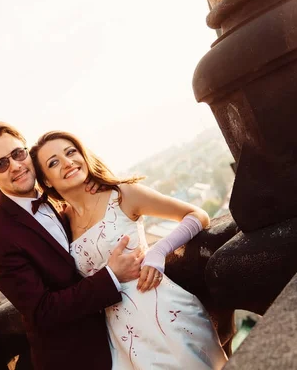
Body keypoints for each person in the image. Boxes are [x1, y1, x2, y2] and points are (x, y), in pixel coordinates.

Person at [30, 130, 228, 370]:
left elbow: (197, 215)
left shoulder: (122, 194)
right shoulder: (62, 224)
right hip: (120, 336)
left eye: (70, 152)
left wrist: (158, 252)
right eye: (54, 162)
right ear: (47, 180)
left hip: (165, 314)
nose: (67, 162)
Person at [0, 122, 144, 370]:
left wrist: (89, 190)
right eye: (1, 164)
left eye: (18, 154)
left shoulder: (56, 198)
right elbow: (42, 310)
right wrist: (111, 276)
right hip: (74, 359)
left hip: (120, 334)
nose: (15, 166)